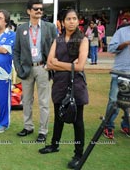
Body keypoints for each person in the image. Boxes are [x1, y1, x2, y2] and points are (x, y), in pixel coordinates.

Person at [38, 9, 89, 169]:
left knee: (77, 121)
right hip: (59, 83)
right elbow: (48, 62)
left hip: (76, 84)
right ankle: (54, 145)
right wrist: (68, 65)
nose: (72, 21)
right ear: (62, 21)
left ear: (78, 21)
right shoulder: (58, 40)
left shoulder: (83, 40)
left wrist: (58, 63)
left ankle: (78, 154)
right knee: (59, 116)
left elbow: (80, 66)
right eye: (68, 19)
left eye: (74, 18)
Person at [13, 0, 57, 142]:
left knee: (44, 101)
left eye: (41, 9)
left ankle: (43, 131)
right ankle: (28, 127)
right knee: (26, 100)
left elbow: (56, 48)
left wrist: (50, 65)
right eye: (36, 9)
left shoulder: (50, 27)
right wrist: (19, 69)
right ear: (28, 11)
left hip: (43, 68)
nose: (39, 11)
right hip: (26, 69)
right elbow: (16, 51)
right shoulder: (21, 29)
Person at [103, 23, 130, 139]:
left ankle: (126, 125)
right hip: (120, 73)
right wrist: (124, 44)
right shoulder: (122, 32)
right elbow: (111, 48)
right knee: (114, 100)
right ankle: (108, 125)